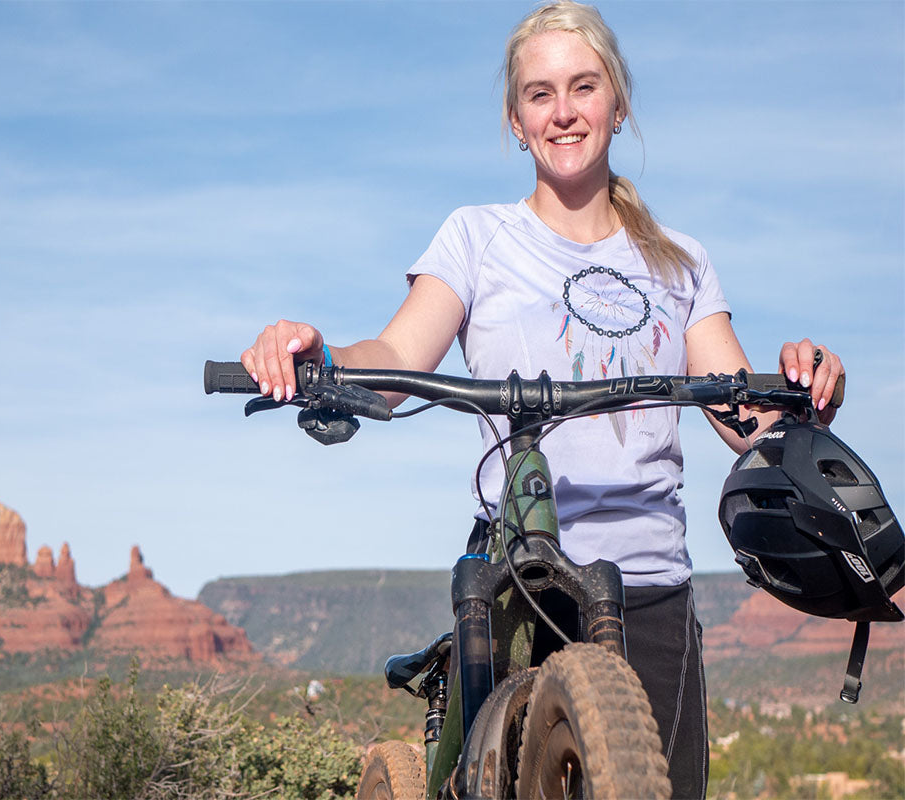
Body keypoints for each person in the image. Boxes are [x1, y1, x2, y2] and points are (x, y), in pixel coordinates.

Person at [239, 2, 844, 798]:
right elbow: (395, 360)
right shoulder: (477, 238)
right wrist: (323, 360)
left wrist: (802, 386)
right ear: (516, 121)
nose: (563, 111)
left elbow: (746, 414)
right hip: (522, 582)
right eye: (540, 94)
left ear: (617, 104)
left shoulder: (683, 263)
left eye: (584, 87)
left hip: (649, 588)